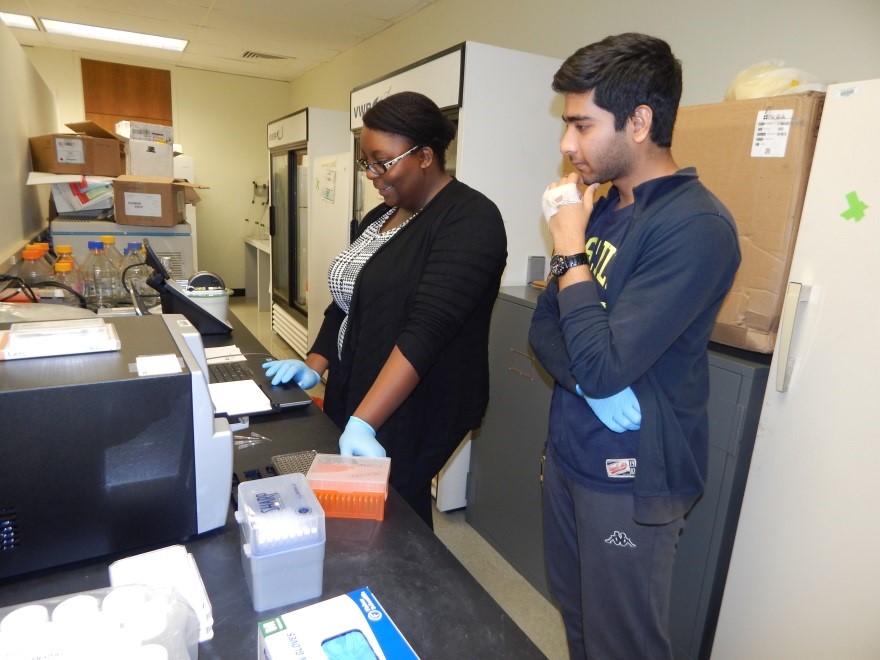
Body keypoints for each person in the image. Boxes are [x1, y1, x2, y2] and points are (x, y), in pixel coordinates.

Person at [529, 34, 741, 658]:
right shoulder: (600, 209)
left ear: (640, 121)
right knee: (578, 621)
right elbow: (545, 328)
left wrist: (569, 250)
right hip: (571, 451)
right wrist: (585, 382)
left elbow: (601, 362)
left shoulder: (694, 226)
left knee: (622, 643)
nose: (567, 145)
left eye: (581, 125)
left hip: (631, 476)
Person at [264, 91, 507, 528]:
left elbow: (428, 329)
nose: (373, 175)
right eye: (367, 164)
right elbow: (349, 298)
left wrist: (364, 420)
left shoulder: (471, 219)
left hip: (415, 399)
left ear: (426, 155)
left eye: (383, 162)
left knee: (394, 512)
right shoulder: (382, 214)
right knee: (351, 507)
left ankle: (412, 594)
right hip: (357, 382)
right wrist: (315, 364)